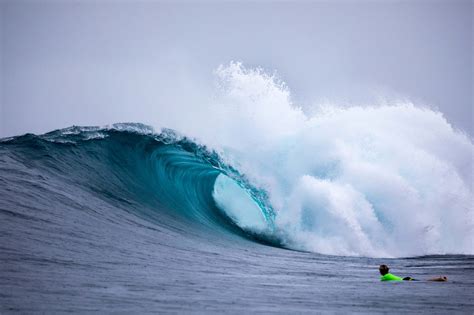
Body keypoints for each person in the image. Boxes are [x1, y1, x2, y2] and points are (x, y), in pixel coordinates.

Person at [379, 264, 447, 282]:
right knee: (425, 281)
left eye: (379, 270)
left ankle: (440, 279)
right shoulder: (388, 274)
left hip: (405, 280)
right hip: (406, 279)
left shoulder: (384, 277)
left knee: (426, 281)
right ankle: (439, 279)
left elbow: (381, 280)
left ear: (381, 271)